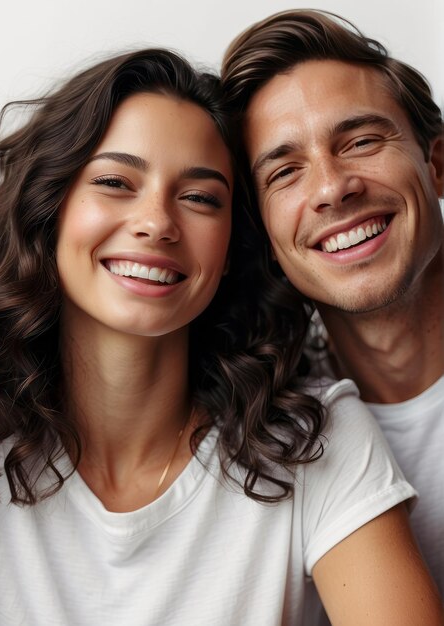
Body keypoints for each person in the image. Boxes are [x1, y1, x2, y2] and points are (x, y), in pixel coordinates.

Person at [0, 48, 441, 626]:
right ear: (50, 210)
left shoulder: (313, 437)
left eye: (199, 198)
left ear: (231, 248)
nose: (157, 223)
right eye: (117, 182)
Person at [222, 4, 444, 614]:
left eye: (362, 141)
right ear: (262, 232)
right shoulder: (275, 426)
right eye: (285, 171)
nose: (331, 188)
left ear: (438, 164)